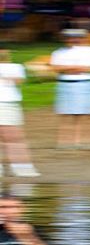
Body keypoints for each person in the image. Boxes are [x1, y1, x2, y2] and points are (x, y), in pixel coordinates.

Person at [50, 29, 90, 150]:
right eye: (69, 38)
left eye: (77, 38)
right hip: (65, 84)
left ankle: (89, 141)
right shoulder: (59, 52)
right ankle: (65, 141)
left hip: (87, 84)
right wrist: (77, 68)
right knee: (65, 114)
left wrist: (68, 68)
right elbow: (56, 67)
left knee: (89, 114)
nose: (73, 40)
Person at [0, 49, 40, 177]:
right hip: (7, 104)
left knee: (13, 136)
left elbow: (18, 80)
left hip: (8, 104)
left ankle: (22, 166)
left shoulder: (15, 67)